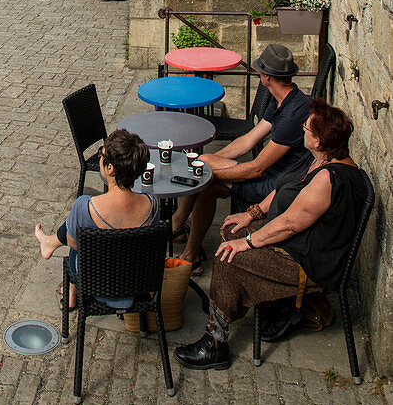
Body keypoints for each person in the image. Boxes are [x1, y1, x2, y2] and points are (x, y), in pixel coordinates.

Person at [174, 97, 364, 371]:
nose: (302, 129)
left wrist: (249, 242)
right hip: (298, 242)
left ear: (320, 141)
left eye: (307, 129)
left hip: (309, 261)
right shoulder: (318, 159)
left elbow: (290, 224)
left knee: (229, 256)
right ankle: (242, 304)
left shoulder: (329, 178)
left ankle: (215, 344)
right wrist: (251, 214)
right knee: (230, 230)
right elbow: (283, 187)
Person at [172, 43, 310, 272]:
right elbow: (248, 140)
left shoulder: (294, 113)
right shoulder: (281, 100)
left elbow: (256, 168)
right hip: (269, 173)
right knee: (202, 162)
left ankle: (189, 252)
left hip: (277, 185)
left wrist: (208, 172)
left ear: (266, 77)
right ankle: (179, 230)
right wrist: (211, 160)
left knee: (205, 180)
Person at [34, 128, 158, 310]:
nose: (99, 157)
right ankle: (50, 244)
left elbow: (72, 243)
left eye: (101, 154)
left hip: (94, 283)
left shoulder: (86, 206)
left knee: (76, 241)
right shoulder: (152, 204)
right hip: (137, 283)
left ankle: (68, 282)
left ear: (110, 168)